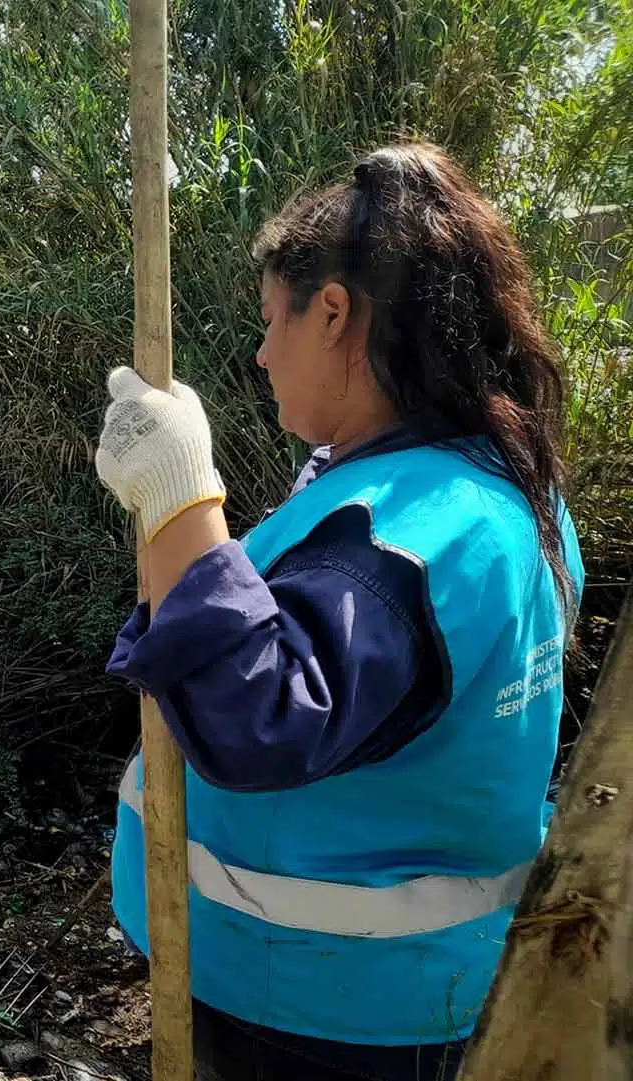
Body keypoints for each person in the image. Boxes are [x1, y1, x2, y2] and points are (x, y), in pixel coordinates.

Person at [97, 144, 582, 1080]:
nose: (260, 351)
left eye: (273, 321)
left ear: (332, 315)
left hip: (324, 1018)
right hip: (370, 997)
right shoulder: (495, 483)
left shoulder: (423, 526)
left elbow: (263, 715)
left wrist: (181, 499)